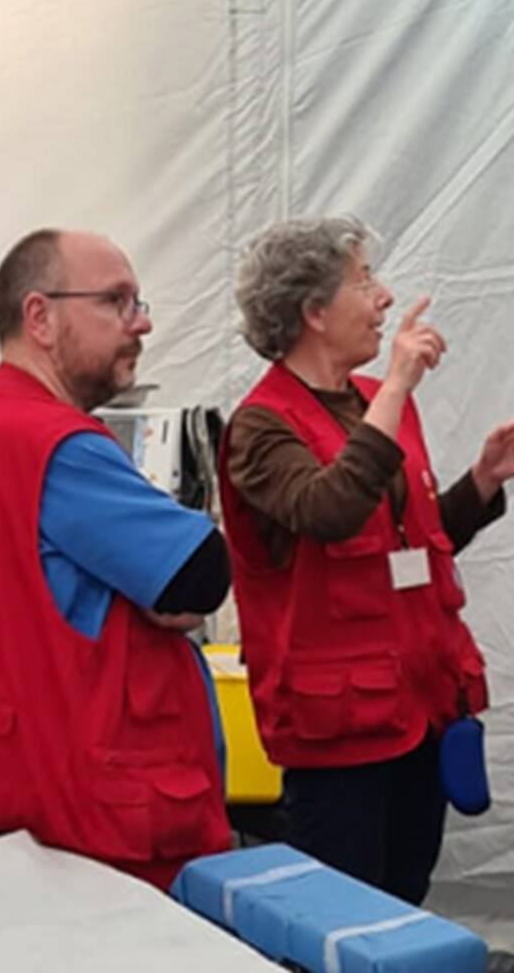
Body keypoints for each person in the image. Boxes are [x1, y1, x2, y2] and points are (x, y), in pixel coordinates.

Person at [219, 216, 514, 904]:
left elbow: (406, 544)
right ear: (314, 312)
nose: (384, 299)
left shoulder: (377, 404)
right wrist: (398, 387)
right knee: (345, 918)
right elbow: (328, 513)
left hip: (418, 706)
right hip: (340, 734)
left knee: (406, 899)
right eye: (364, 282)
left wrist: (482, 482)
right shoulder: (261, 427)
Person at [0, 228, 231, 890]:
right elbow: (201, 574)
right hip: (103, 822)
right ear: (40, 316)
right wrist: (154, 590)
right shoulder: (59, 444)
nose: (142, 322)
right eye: (118, 302)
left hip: (30, 795)